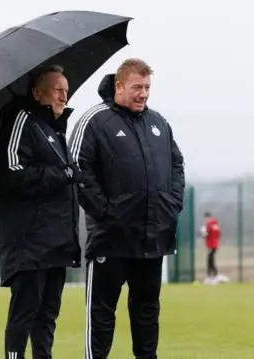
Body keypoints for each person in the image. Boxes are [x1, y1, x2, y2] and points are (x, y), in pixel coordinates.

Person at [68, 58, 185, 359]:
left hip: (152, 238)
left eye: (147, 87)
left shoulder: (159, 122)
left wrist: (171, 206)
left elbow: (176, 165)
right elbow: (77, 170)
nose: (143, 94)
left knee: (147, 314)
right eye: (137, 87)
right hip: (111, 239)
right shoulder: (94, 120)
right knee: (102, 316)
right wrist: (107, 214)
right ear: (119, 86)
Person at [0, 64, 83, 359]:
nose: (64, 96)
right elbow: (13, 174)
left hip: (55, 243)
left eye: (66, 91)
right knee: (25, 312)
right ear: (37, 92)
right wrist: (64, 174)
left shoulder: (54, 130)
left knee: (47, 316)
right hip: (28, 243)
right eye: (57, 90)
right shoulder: (20, 122)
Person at [199, 212, 228, 285]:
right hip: (215, 245)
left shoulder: (209, 225)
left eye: (205, 218)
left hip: (211, 245)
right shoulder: (215, 224)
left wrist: (203, 231)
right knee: (211, 260)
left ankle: (212, 277)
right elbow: (219, 234)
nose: (205, 220)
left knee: (210, 261)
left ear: (207, 217)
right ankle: (213, 277)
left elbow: (205, 235)